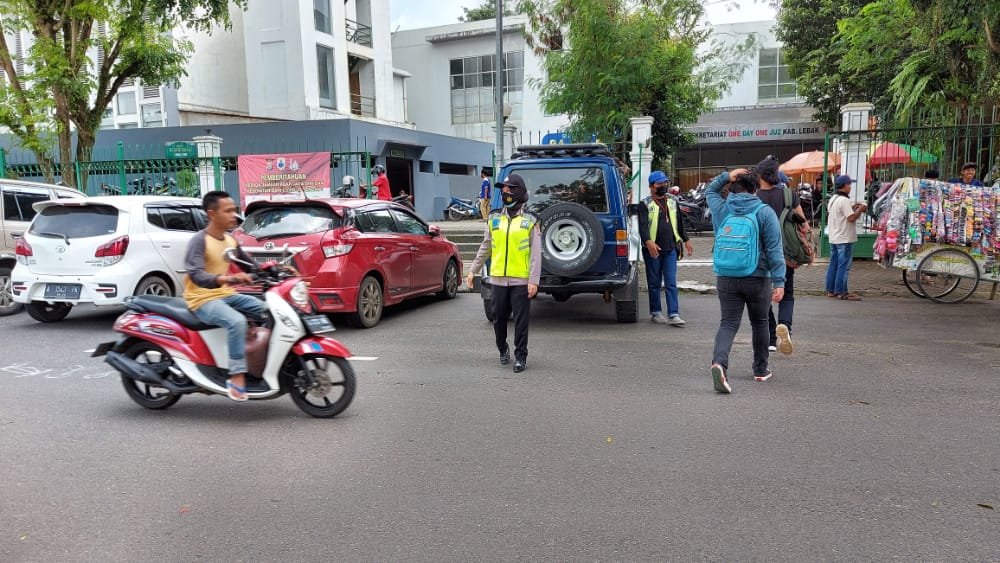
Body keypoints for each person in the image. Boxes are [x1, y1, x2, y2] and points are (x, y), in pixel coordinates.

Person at [705, 168, 786, 394]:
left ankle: (719, 363)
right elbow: (774, 249)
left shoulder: (721, 207)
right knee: (760, 321)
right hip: (757, 277)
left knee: (728, 323)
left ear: (732, 187)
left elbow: (710, 190)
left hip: (726, 275)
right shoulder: (764, 212)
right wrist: (779, 281)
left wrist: (727, 175)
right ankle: (760, 370)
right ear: (755, 189)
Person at [183, 191, 268, 402]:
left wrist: (272, 268)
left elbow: (249, 265)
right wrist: (226, 279)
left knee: (269, 310)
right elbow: (196, 274)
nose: (234, 215)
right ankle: (237, 375)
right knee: (237, 322)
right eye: (228, 211)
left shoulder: (230, 240)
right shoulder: (199, 240)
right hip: (202, 298)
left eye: (234, 210)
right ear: (212, 214)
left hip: (226, 294)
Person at [466, 174, 541, 373]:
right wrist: (473, 270)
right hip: (498, 279)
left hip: (521, 279)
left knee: (521, 320)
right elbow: (486, 247)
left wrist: (533, 280)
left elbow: (535, 254)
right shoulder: (494, 218)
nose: (505, 192)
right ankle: (502, 348)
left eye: (510, 189)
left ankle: (520, 356)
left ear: (519, 192)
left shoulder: (530, 221)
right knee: (498, 319)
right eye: (503, 189)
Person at [754, 158, 805, 355]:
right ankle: (785, 326)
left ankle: (772, 338)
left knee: (763, 295)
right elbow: (803, 223)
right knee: (787, 292)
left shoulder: (754, 196)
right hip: (785, 251)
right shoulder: (788, 194)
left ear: (759, 176)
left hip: (759, 253)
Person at [637, 170, 693, 326]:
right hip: (653, 249)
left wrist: (686, 240)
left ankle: (673, 314)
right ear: (651, 186)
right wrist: (648, 241)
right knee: (654, 282)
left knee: (671, 282)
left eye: (665, 183)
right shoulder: (644, 204)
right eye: (659, 184)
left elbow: (679, 223)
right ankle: (655, 312)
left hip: (671, 248)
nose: (663, 186)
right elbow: (642, 226)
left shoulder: (673, 201)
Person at [825, 175, 867, 301]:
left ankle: (831, 290)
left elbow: (841, 214)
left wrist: (854, 208)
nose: (850, 187)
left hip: (834, 237)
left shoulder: (833, 198)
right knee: (843, 266)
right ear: (845, 186)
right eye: (849, 184)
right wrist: (860, 210)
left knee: (834, 264)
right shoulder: (844, 200)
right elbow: (851, 218)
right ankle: (842, 292)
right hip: (844, 238)